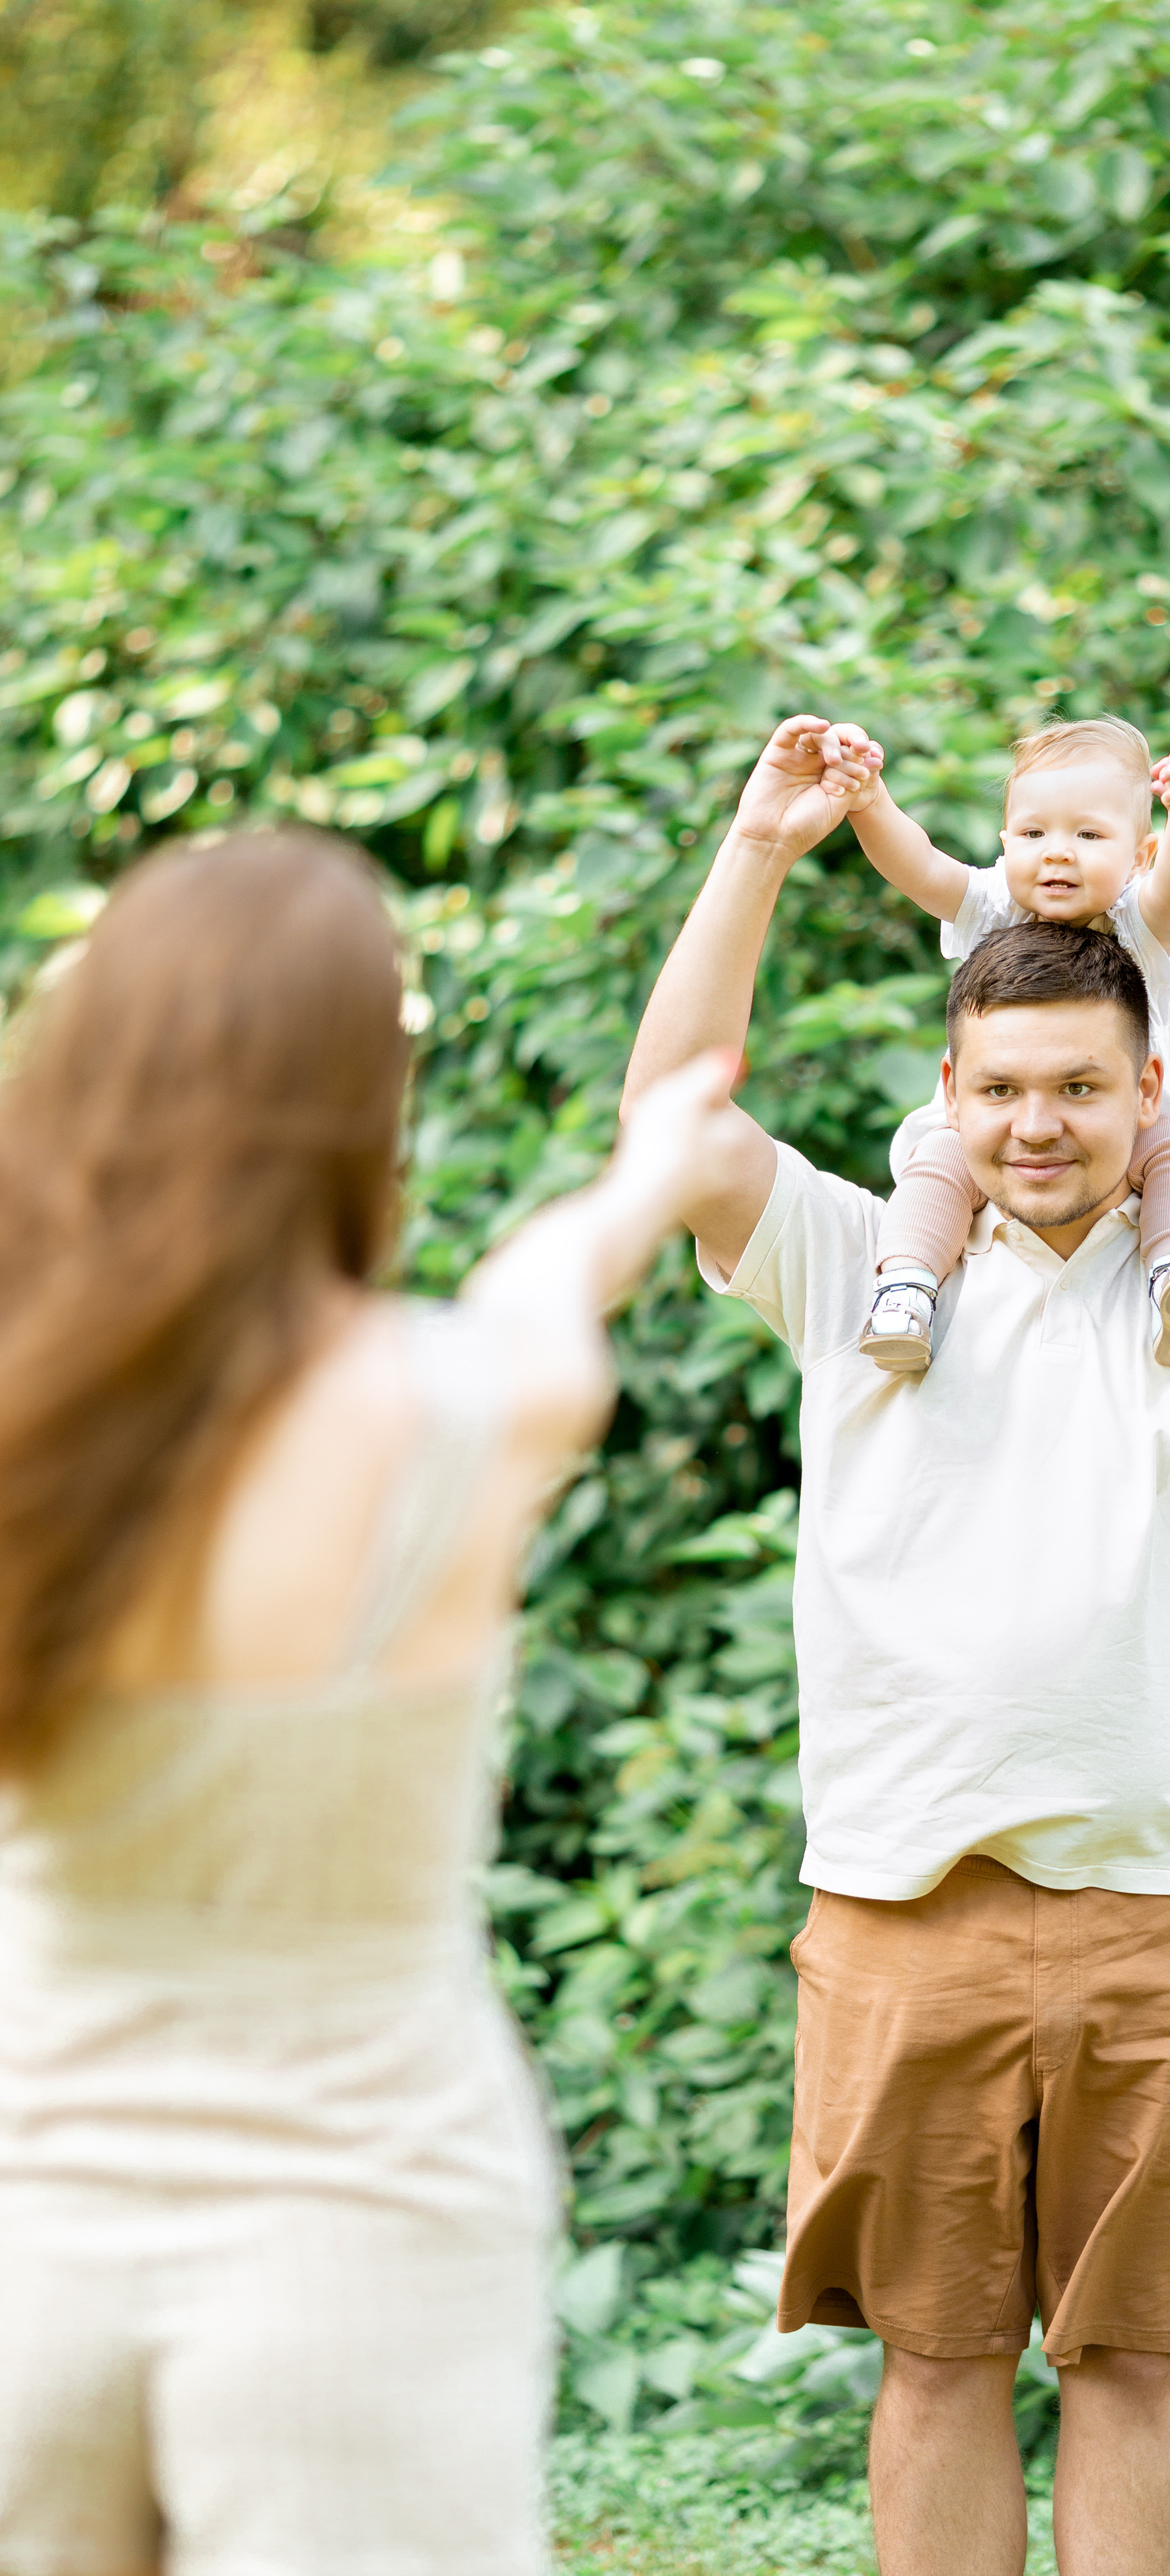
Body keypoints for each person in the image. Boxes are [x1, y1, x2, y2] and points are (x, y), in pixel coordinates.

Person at [623, 720, 1170, 2576]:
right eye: (1000, 1088)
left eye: (1080, 1086)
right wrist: (757, 847)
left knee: (1134, 2362)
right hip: (903, 1904)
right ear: (950, 1088)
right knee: (931, 2363)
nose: (1037, 1123)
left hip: (1169, 1908)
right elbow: (673, 1107)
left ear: (1149, 1087)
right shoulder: (859, 1271)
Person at [0, 827, 745, 2576]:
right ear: (364, 1108)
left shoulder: (30, 1443)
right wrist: (649, 1174)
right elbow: (543, 1287)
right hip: (368, 2229)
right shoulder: (458, 1407)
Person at [841, 714, 1170, 1373]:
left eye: (1089, 834)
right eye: (1033, 833)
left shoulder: (1141, 919)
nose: (1057, 852)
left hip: (1139, 1121)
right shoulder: (994, 904)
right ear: (1005, 844)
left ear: (1141, 856)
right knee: (940, 1163)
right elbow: (918, 866)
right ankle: (905, 1287)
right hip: (993, 1123)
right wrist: (868, 800)